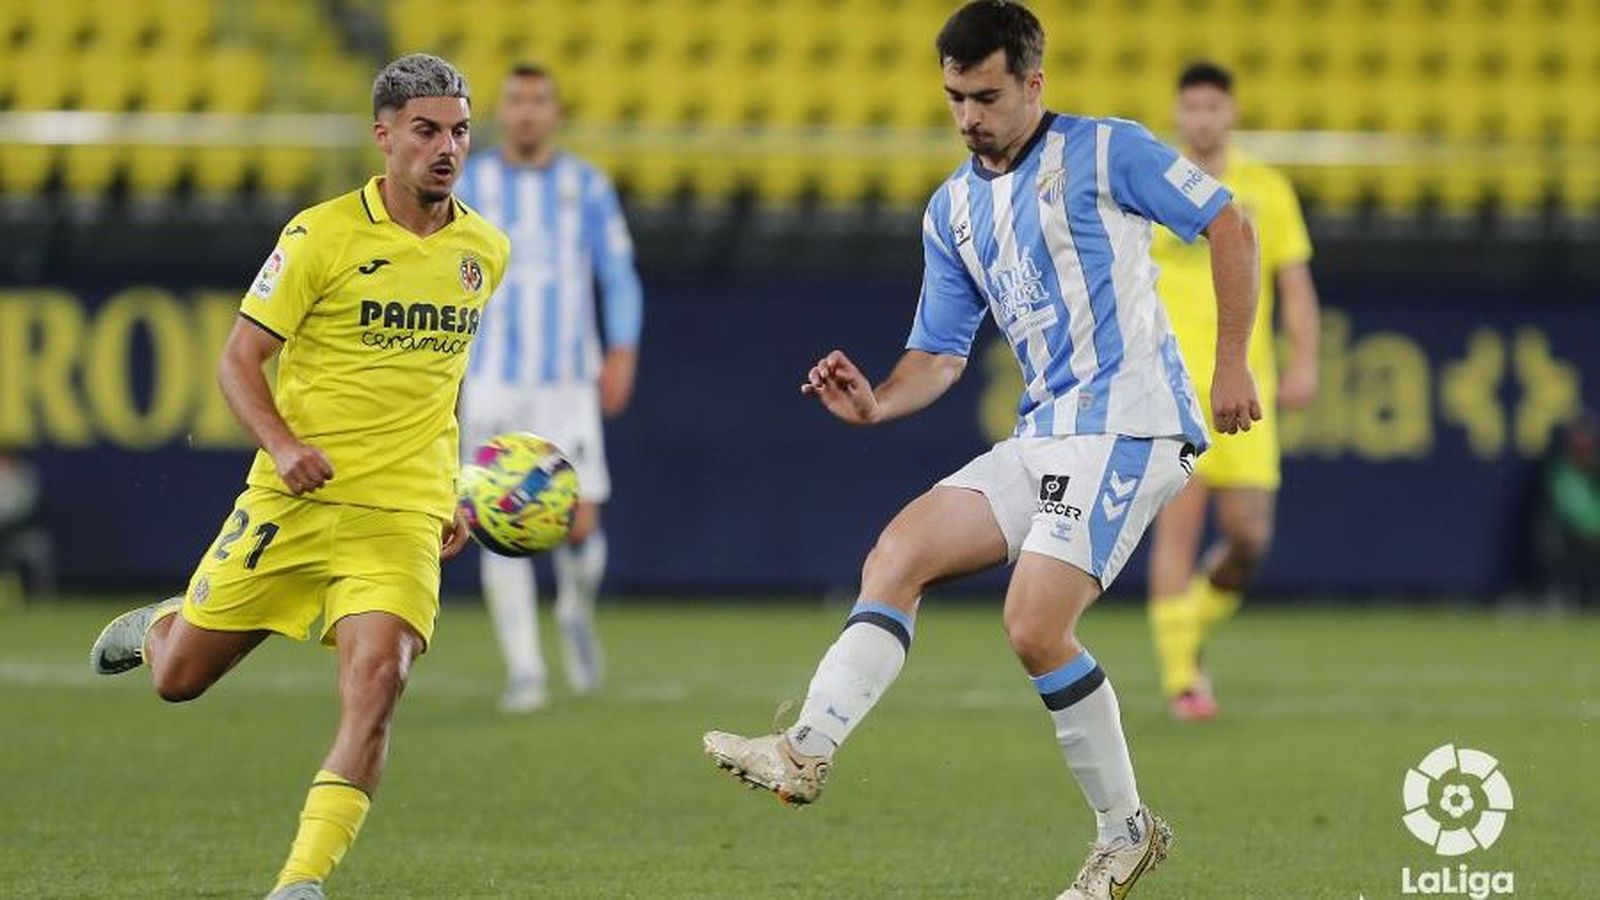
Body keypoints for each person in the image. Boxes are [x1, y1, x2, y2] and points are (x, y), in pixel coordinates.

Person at [701, 4, 1261, 898]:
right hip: (1043, 431)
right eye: (955, 97)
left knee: (1035, 626)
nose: (968, 116)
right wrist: (879, 402)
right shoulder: (953, 207)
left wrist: (1231, 362)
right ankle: (804, 751)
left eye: (987, 96)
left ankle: (1125, 835)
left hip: (1129, 423)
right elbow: (940, 353)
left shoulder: (1109, 150)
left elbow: (1229, 224)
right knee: (898, 553)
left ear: (1033, 84)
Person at [86, 54, 509, 899]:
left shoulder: (483, 250)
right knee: (179, 682)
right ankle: (165, 623)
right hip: (298, 497)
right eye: (426, 130)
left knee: (379, 684)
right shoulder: (319, 236)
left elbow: (442, 378)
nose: (446, 148)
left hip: (401, 511)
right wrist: (280, 445)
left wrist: (451, 485)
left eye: (459, 131)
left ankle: (300, 883)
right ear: (383, 135)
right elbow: (240, 360)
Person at [454, 63, 643, 713]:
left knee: (580, 521)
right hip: (492, 378)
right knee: (492, 517)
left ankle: (574, 609)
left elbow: (618, 274)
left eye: (538, 100)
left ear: (555, 112)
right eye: (516, 101)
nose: (527, 112)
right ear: (501, 112)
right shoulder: (469, 181)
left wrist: (621, 348)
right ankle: (526, 670)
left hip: (566, 381)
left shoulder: (584, 186)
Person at [1144, 61, 1322, 721]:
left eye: (1213, 108)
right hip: (1170, 386)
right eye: (1191, 108)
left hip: (1247, 383)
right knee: (1179, 528)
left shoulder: (1264, 189)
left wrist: (1305, 360)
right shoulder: (1156, 184)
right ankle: (1182, 679)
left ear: (1232, 113)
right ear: (1178, 115)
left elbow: (1296, 285)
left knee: (1249, 538)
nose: (1202, 120)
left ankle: (1184, 630)